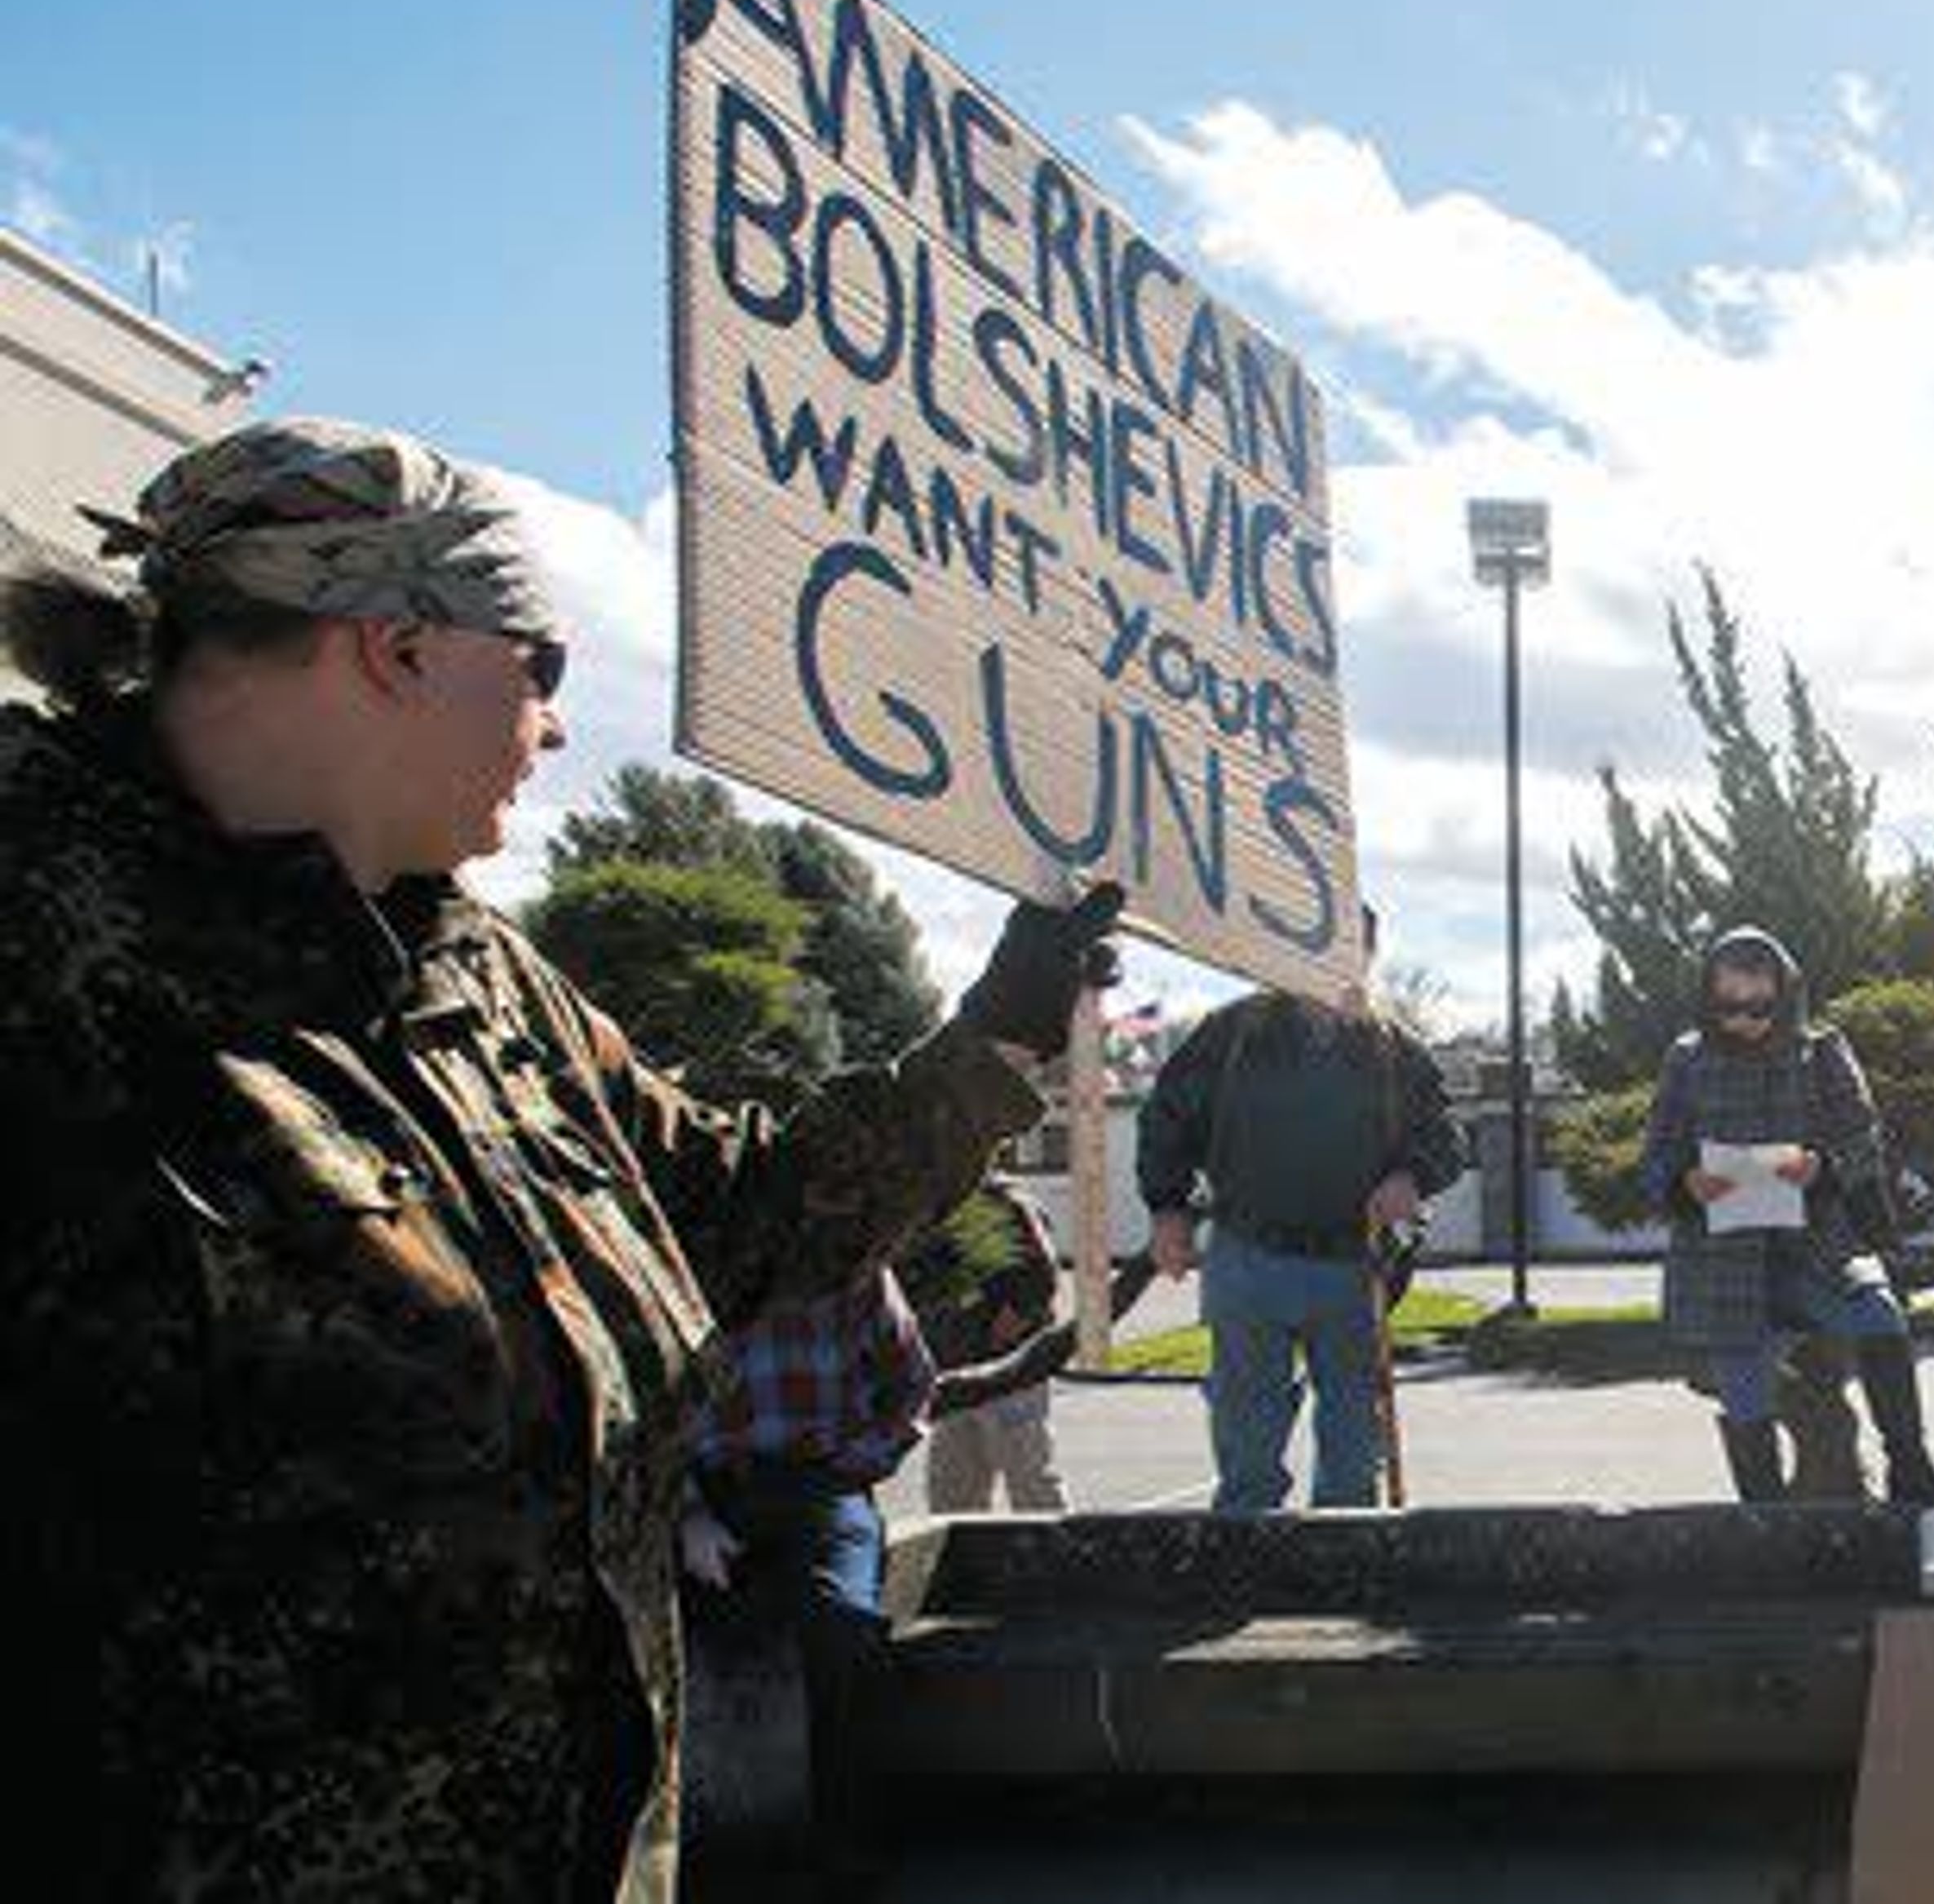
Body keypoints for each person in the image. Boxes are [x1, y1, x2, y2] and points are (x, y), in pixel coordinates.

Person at [0, 418, 1119, 1900]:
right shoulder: (42, 961)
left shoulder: (477, 974)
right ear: (396, 645)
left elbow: (738, 1214)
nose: (554, 726)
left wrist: (1002, 1029)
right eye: (542, 667)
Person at [679, 1262, 1073, 1876]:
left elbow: (914, 1382)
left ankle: (845, 1837)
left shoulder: (854, 1273)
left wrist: (858, 1463)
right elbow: (636, 1410)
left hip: (821, 1484)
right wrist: (688, 1512)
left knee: (844, 1628)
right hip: (710, 1490)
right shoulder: (699, 1258)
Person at [1136, 923, 1468, 1512]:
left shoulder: (1394, 1051)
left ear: (1368, 954)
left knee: (1351, 1443)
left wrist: (1412, 1175)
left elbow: (1446, 1140)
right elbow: (1167, 1117)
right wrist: (1168, 1208)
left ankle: (1343, 1567)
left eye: (1352, 945)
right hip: (1246, 1259)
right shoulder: (1233, 1033)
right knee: (1246, 1440)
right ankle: (1248, 1561)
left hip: (1353, 1268)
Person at [1644, 928, 1934, 1507]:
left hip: (1816, 1251)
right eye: (1728, 1006)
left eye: (1758, 1005)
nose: (1743, 1018)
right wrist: (1684, 1182)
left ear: (1785, 994)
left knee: (1881, 1318)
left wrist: (1821, 1167)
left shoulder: (1823, 1049)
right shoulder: (1686, 1058)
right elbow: (1657, 1156)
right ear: (1708, 998)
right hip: (1720, 1262)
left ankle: (1912, 1469)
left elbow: (1862, 1142)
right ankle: (1765, 1523)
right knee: (1746, 1396)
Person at [914, 1193, 1074, 1515]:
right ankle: (960, 1561)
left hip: (1010, 1372)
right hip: (954, 1374)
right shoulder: (932, 1206)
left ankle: (1055, 1559)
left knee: (1029, 1479)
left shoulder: (1004, 1202)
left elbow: (1041, 1276)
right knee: (951, 1489)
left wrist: (1018, 1314)